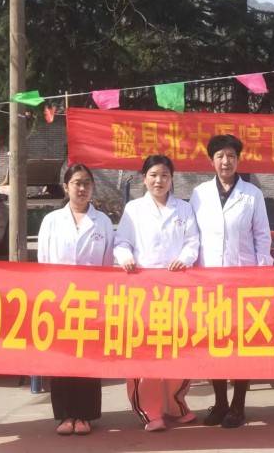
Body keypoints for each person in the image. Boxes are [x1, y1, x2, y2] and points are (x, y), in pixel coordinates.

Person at [190, 134, 273, 428]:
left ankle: (238, 405)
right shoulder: (199, 194)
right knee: (216, 343)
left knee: (241, 344)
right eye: (220, 156)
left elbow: (262, 236)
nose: (226, 161)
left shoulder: (252, 194)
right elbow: (193, 235)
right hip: (209, 280)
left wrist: (262, 272)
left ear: (238, 160)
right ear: (211, 161)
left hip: (243, 280)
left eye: (231, 156)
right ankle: (220, 403)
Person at [114, 154, 200, 432]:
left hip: (177, 291)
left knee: (178, 347)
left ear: (172, 179)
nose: (159, 181)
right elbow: (121, 242)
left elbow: (193, 242)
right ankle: (150, 411)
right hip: (143, 291)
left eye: (164, 175)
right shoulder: (134, 209)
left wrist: (185, 259)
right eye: (153, 175)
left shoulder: (183, 208)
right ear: (144, 179)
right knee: (145, 350)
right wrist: (126, 257)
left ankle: (176, 403)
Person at [37, 164, 114, 436]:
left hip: (91, 300)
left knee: (88, 357)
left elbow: (108, 262)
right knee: (62, 358)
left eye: (87, 183)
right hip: (59, 299)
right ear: (66, 187)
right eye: (77, 183)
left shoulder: (103, 222)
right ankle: (65, 415)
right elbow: (44, 260)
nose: (82, 188)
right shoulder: (51, 221)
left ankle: (85, 415)